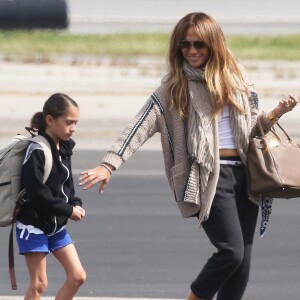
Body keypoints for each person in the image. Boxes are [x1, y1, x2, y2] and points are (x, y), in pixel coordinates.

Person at [79, 12, 298, 300]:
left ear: (214, 45)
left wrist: (276, 114)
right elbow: (139, 126)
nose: (192, 51)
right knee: (230, 253)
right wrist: (109, 164)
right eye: (185, 45)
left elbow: (251, 130)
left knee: (242, 262)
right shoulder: (174, 86)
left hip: (245, 175)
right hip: (207, 176)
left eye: (199, 45)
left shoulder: (239, 80)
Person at [16, 93, 86, 300]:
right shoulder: (36, 150)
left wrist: (75, 203)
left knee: (77, 277)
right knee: (39, 284)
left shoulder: (64, 147)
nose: (73, 128)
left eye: (76, 123)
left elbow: (67, 185)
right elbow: (38, 194)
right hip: (33, 224)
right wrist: (68, 210)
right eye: (69, 122)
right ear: (50, 120)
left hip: (56, 225)